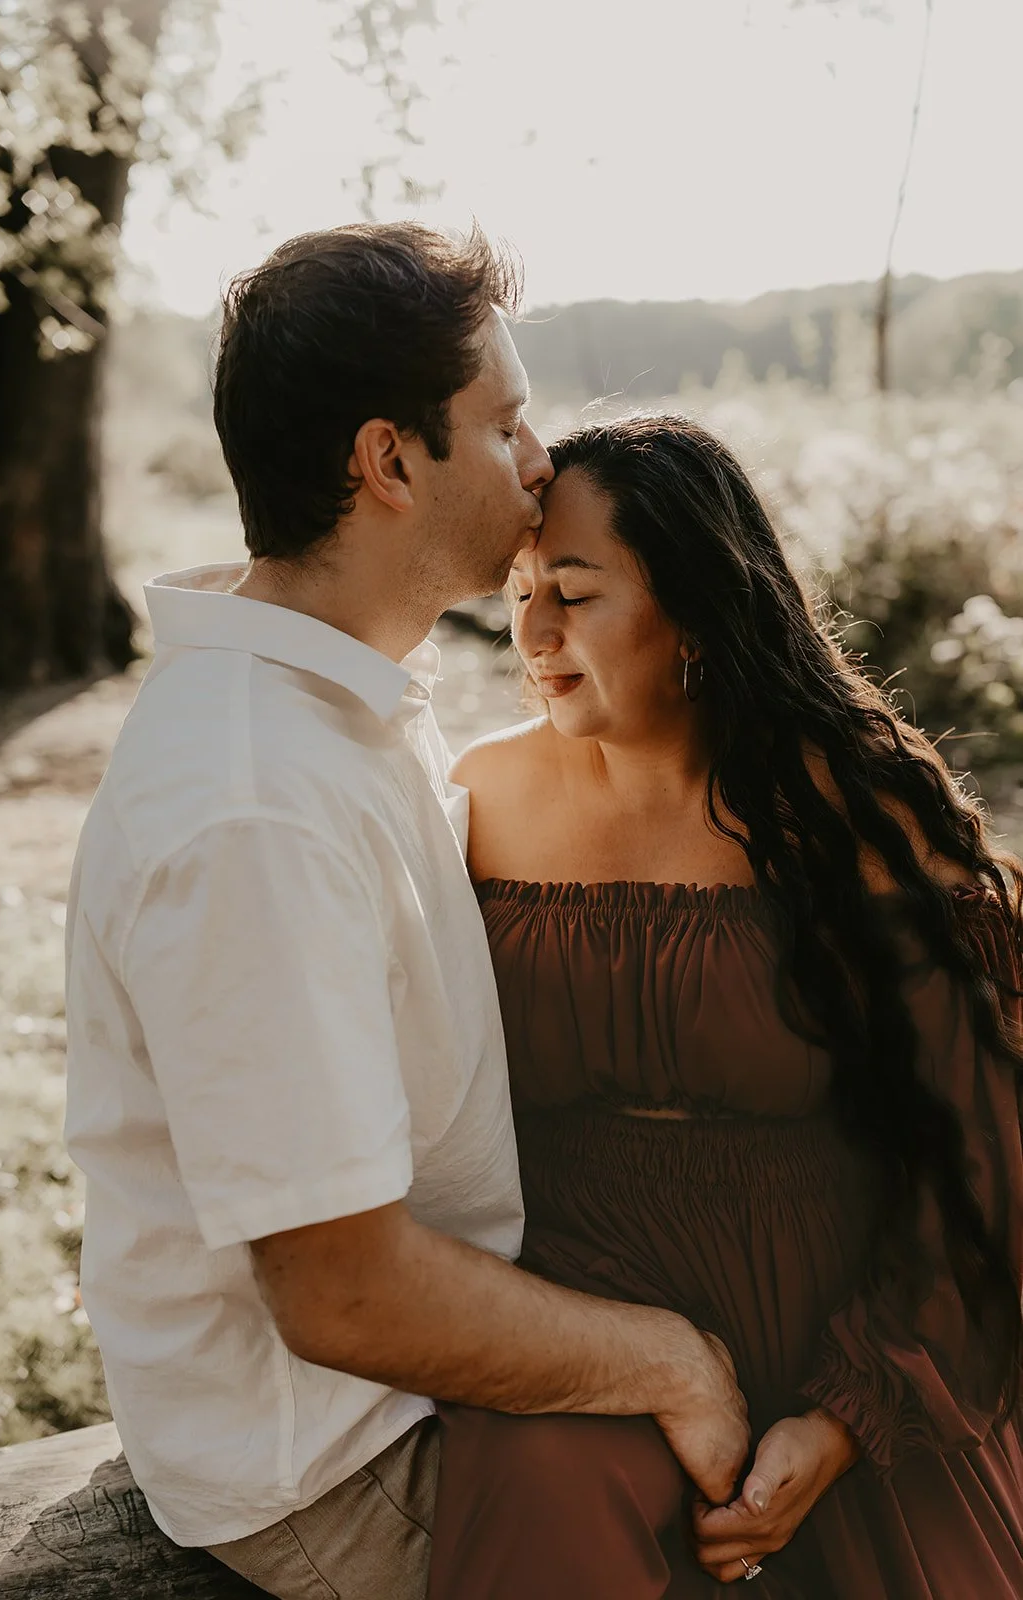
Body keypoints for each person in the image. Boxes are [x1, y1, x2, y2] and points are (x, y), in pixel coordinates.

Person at [63, 230, 748, 1600]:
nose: (540, 461)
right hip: (334, 1457)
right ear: (388, 463)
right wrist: (669, 1360)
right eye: (501, 425)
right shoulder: (255, 803)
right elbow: (343, 1294)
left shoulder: (341, 705)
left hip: (391, 1382)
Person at [430, 413, 1023, 1598]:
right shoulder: (475, 798)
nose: (532, 634)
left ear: (695, 609)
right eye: (518, 591)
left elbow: (979, 1152)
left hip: (835, 1347)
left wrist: (851, 1416)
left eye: (576, 594)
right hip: (572, 1342)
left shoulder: (856, 812)